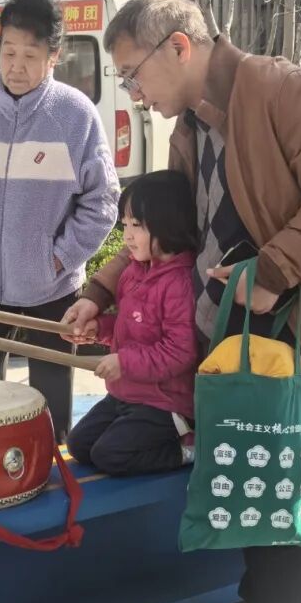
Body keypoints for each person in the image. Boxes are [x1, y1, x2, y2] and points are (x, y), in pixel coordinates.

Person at [62, 0, 301, 603]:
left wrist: (273, 270)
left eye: (132, 74)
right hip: (232, 336)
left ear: (178, 47)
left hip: (289, 337)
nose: (133, 93)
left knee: (289, 496)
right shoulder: (192, 126)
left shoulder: (281, 90)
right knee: (251, 484)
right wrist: (102, 290)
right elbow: (170, 224)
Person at [0, 0, 119, 442]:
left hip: (51, 287)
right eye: (8, 52)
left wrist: (59, 257)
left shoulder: (76, 116)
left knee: (51, 411)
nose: (16, 66)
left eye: (30, 55)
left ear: (54, 56)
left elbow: (102, 201)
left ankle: (55, 475)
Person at [66, 171, 198, 475]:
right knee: (79, 445)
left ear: (167, 224)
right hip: (126, 393)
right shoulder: (134, 271)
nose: (126, 236)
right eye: (124, 225)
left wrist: (123, 362)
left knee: (110, 455)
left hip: (164, 402)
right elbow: (131, 325)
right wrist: (100, 329)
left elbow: (180, 352)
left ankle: (187, 447)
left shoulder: (180, 283)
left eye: (136, 225)